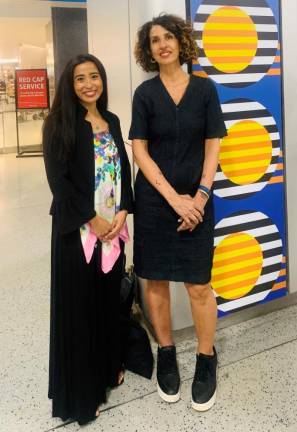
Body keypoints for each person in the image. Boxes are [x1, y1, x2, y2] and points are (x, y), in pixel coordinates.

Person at [129, 14, 227, 412]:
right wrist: (175, 199)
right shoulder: (145, 94)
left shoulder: (205, 90)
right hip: (156, 202)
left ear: (181, 43)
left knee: (198, 285)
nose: (163, 44)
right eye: (155, 40)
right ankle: (166, 352)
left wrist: (200, 198)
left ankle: (207, 357)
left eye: (169, 37)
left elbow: (213, 145)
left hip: (197, 203)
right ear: (148, 50)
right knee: (155, 282)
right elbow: (140, 151)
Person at [43, 53, 133, 425]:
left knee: (108, 303)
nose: (89, 84)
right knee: (80, 311)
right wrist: (92, 219)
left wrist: (124, 209)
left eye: (94, 76)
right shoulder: (59, 123)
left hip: (113, 231)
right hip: (78, 231)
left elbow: (124, 169)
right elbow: (58, 182)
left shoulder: (109, 119)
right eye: (80, 78)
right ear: (70, 84)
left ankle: (109, 366)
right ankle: (82, 394)